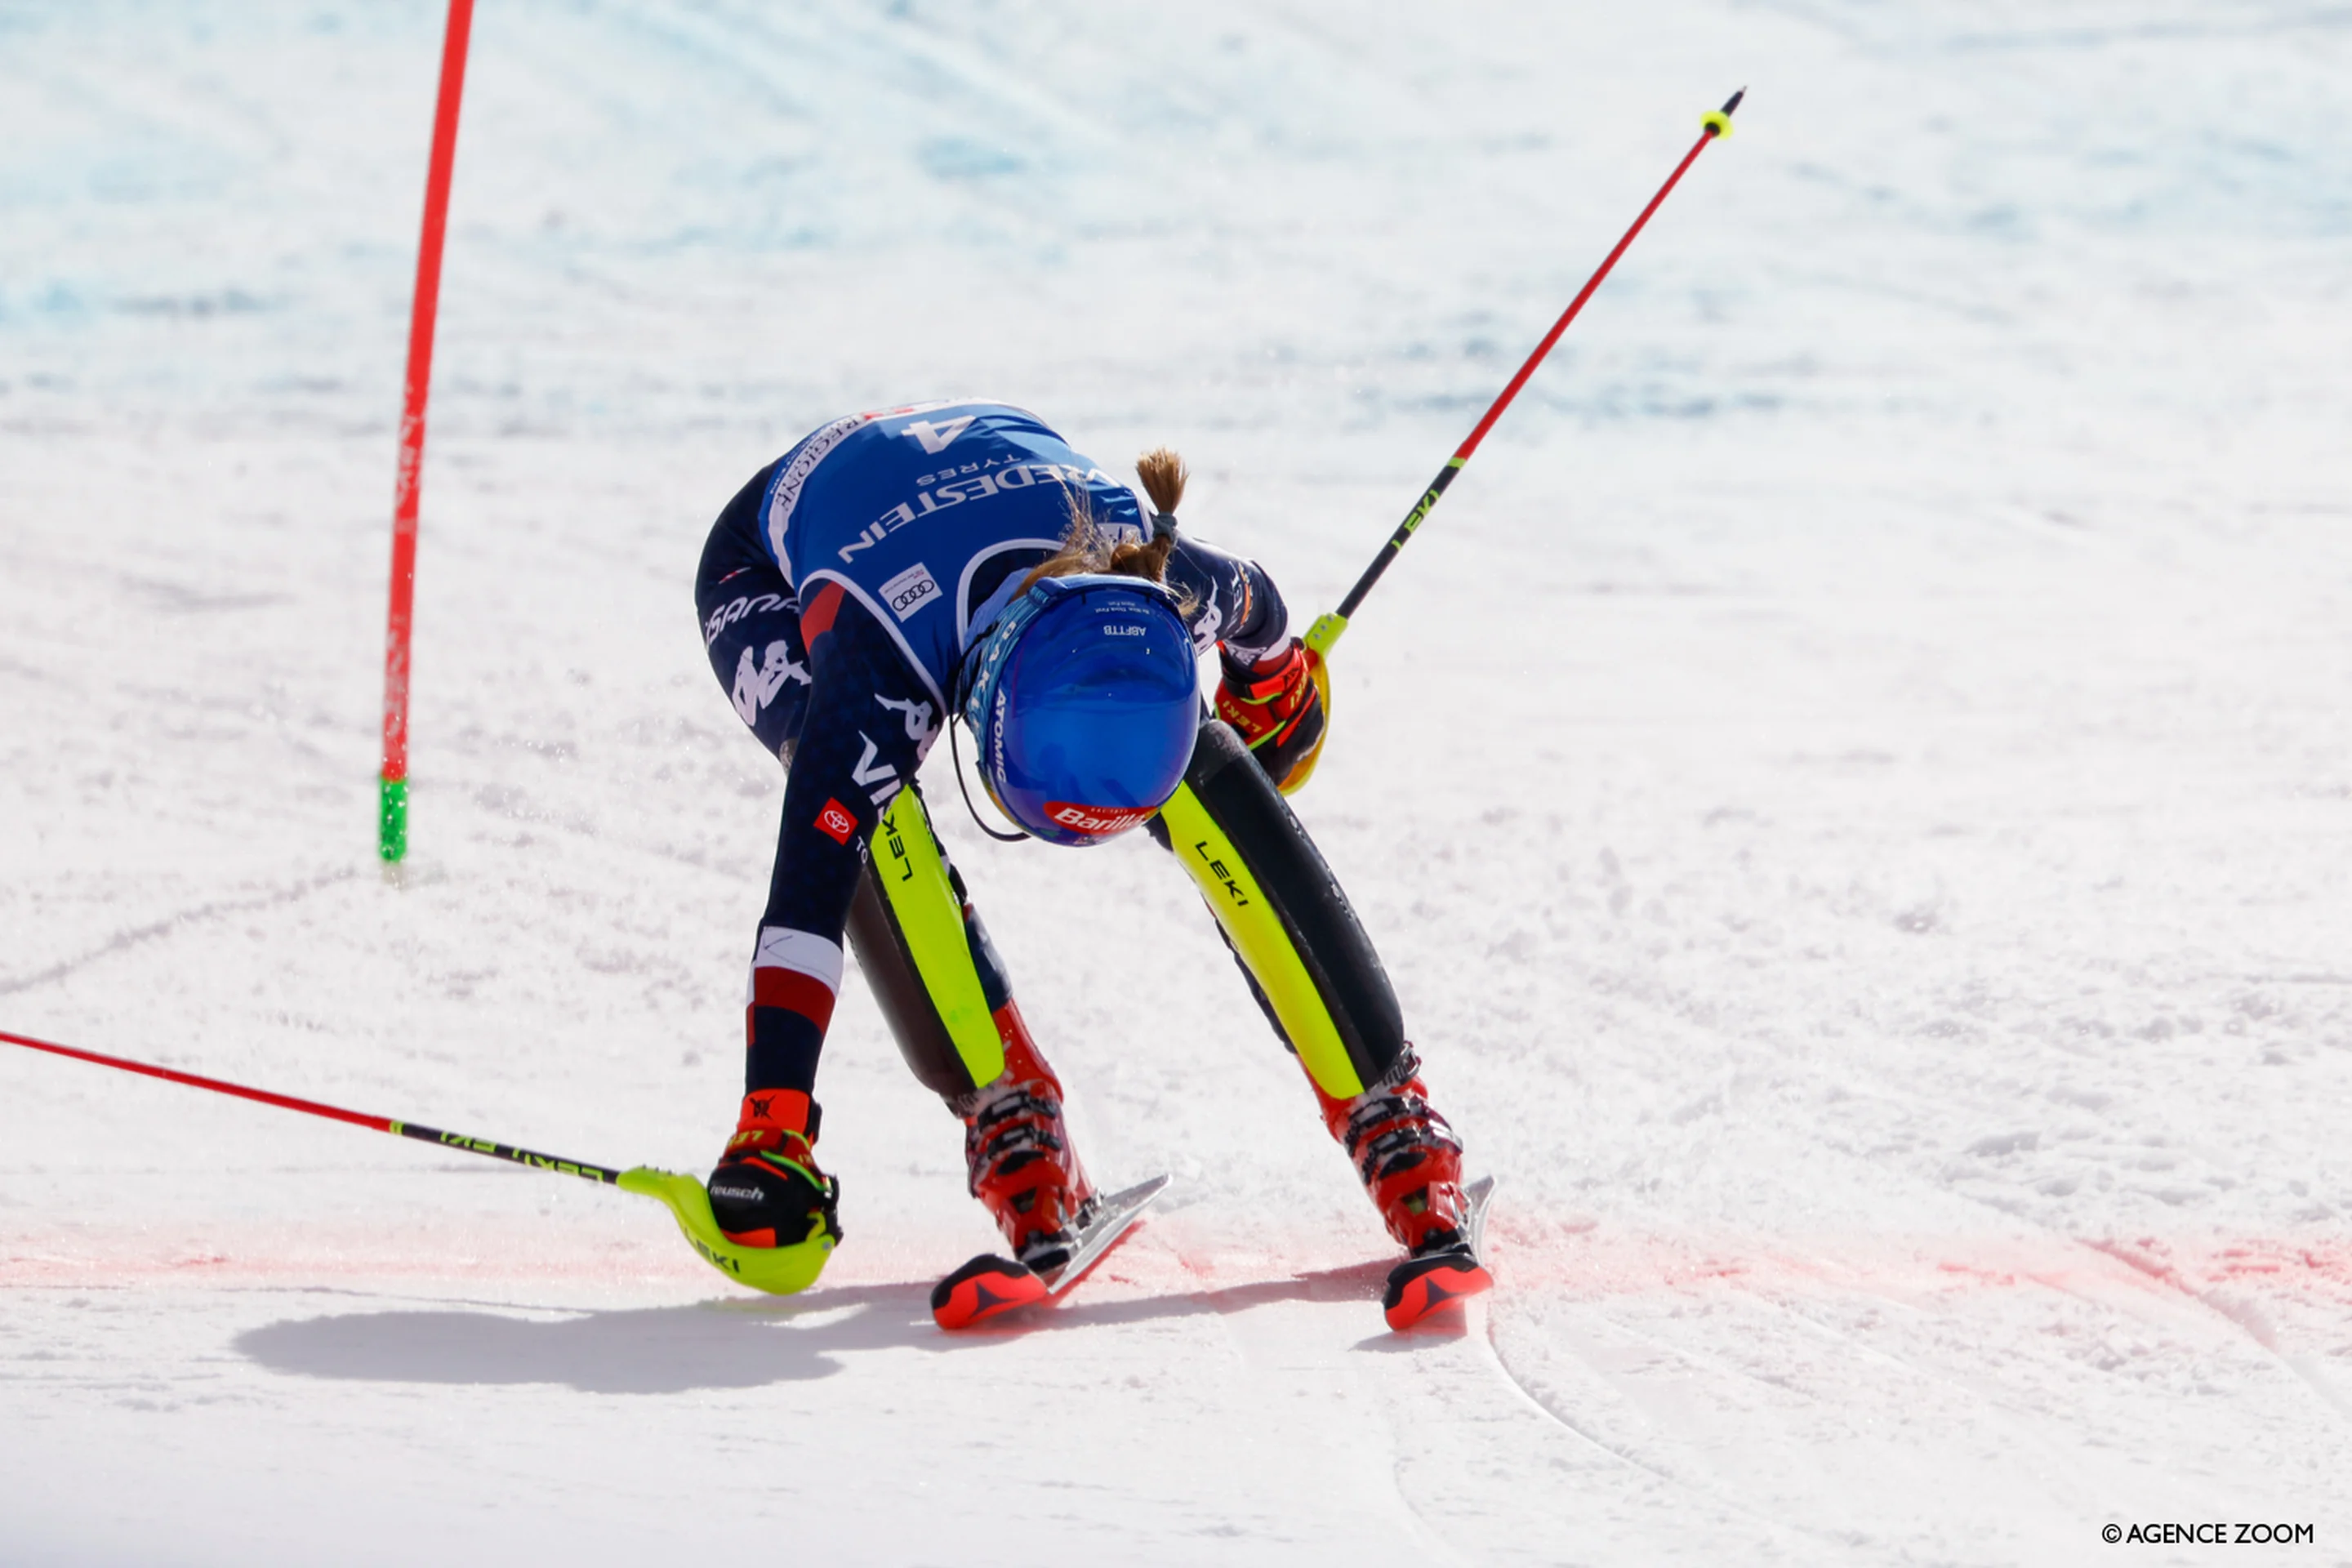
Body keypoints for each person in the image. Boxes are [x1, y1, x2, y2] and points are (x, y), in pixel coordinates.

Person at [692, 399, 1490, 1325]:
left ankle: (1396, 1124)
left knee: (1197, 756)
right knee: (865, 810)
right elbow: (804, 897)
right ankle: (1013, 1129)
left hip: (1001, 515)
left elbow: (1263, 615)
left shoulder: (1165, 580)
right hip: (776, 563)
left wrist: (1271, 688)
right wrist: (772, 1122)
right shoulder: (879, 670)